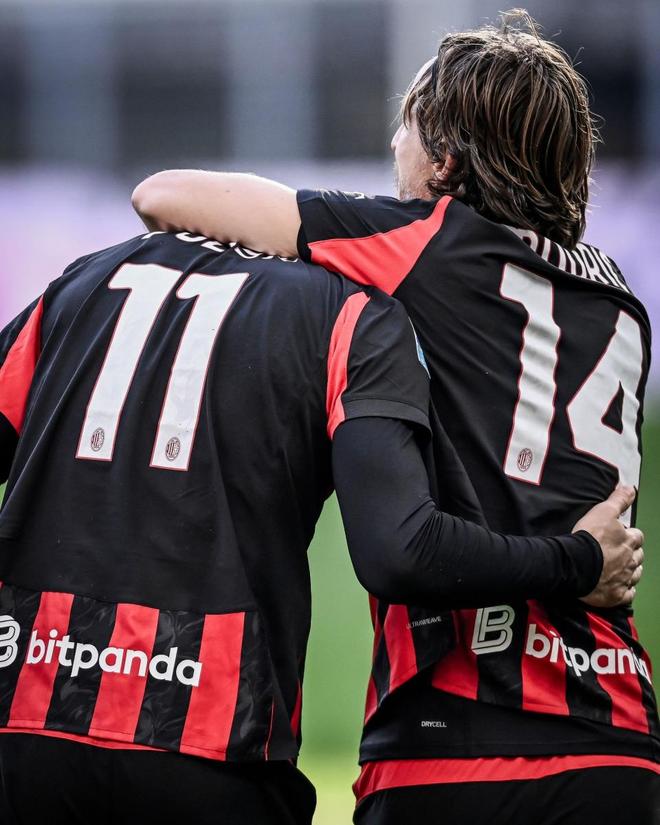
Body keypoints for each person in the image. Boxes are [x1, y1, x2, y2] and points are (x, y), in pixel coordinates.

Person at [131, 11, 660, 824]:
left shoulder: (425, 243)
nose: (392, 145)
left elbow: (163, 196)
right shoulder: (621, 299)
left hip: (456, 744)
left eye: (407, 127)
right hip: (619, 742)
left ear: (446, 162)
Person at [0, 228, 638, 824]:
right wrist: (578, 559)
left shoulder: (81, 282)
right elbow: (400, 550)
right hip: (208, 735)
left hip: (23, 718)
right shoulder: (351, 310)